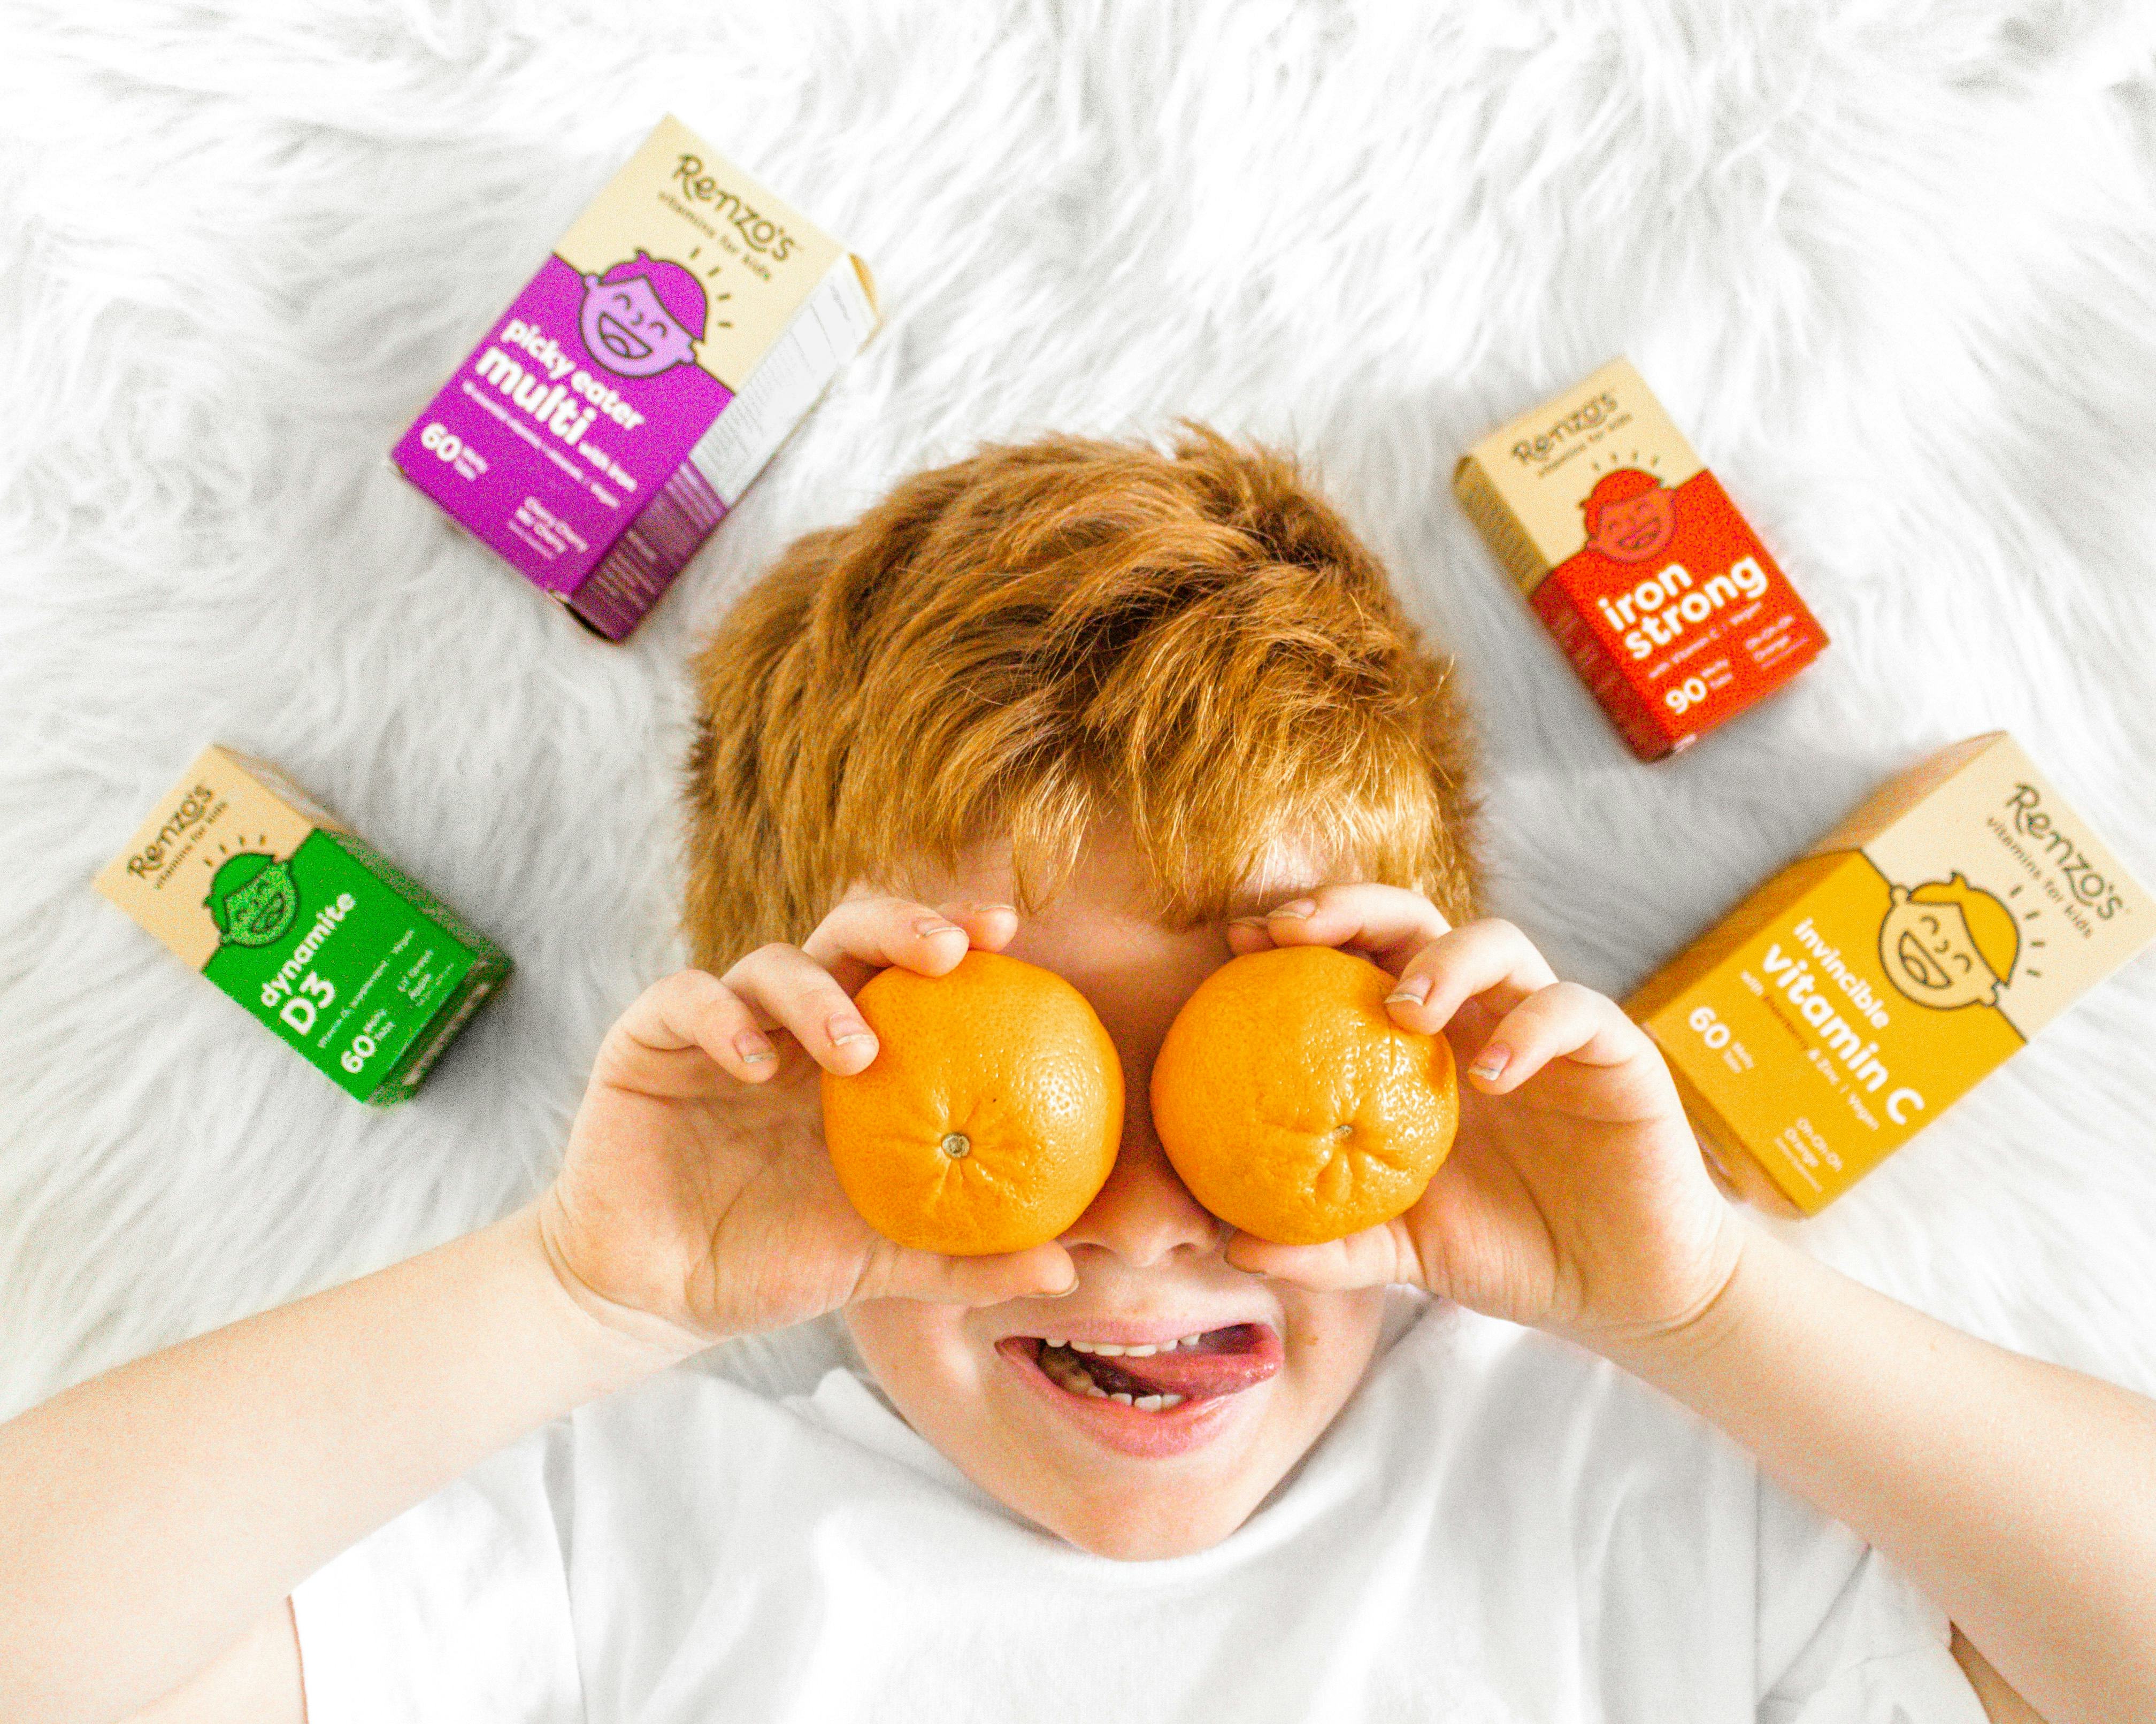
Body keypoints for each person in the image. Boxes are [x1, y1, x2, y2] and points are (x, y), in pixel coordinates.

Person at [5, 430, 2151, 1724]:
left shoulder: (1648, 1500)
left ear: (1440, 1055)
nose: (1136, 1219)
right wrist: (582, 1294)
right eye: (1016, 1090)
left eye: (1236, 1067)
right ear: (807, 1070)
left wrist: (1705, 1310)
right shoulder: (623, 1545)